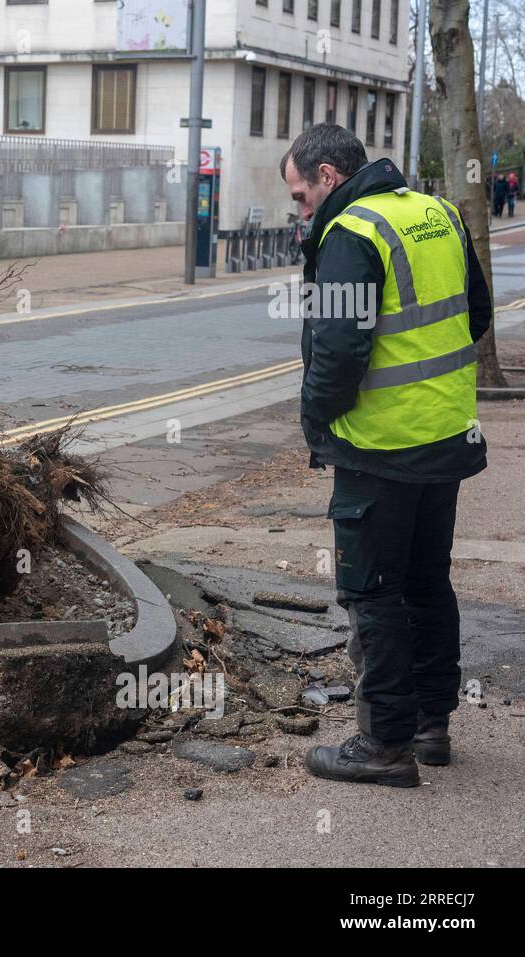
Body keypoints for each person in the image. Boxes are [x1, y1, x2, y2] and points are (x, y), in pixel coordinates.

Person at [279, 124, 492, 787]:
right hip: (446, 436)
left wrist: (316, 420)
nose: (299, 212)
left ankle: (384, 744)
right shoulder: (436, 213)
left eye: (300, 196)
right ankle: (431, 725)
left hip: (379, 447)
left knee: (373, 591)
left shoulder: (352, 232)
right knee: (428, 581)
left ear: (328, 178)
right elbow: (476, 315)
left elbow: (339, 352)